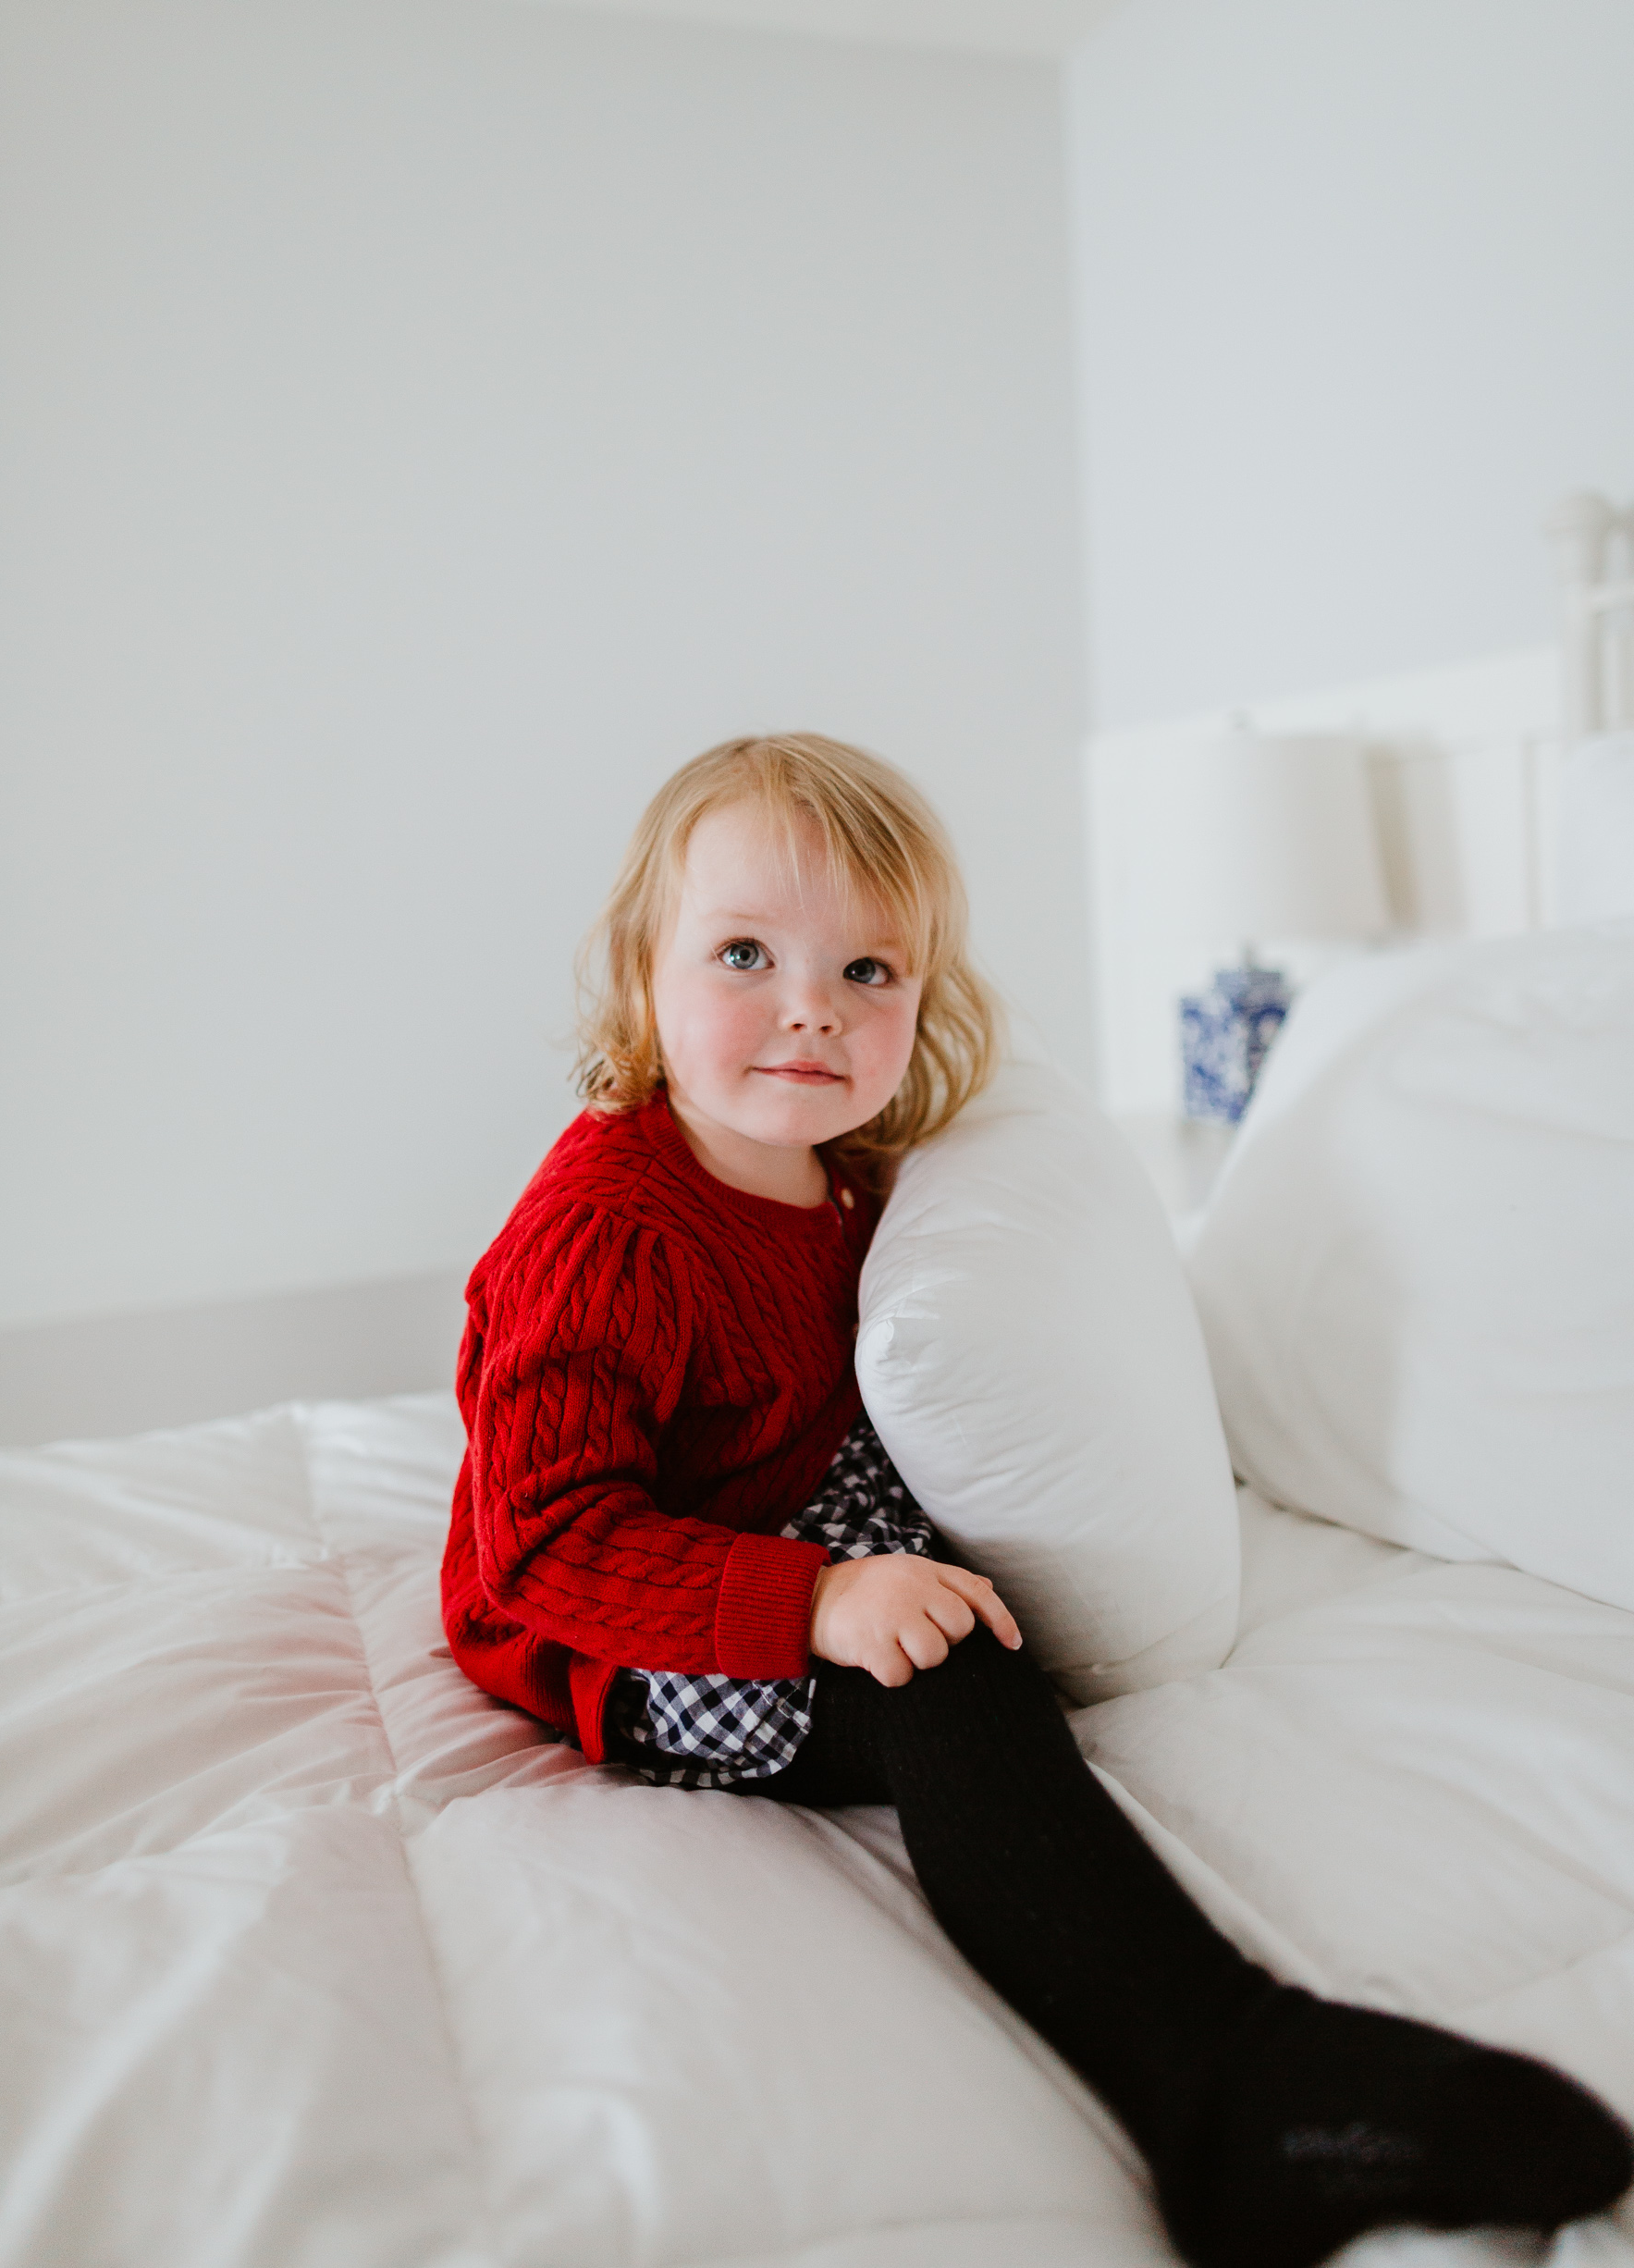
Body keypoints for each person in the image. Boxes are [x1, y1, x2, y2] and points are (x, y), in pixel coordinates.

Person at [442, 733, 1630, 2268]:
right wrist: (816, 1598)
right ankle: (1226, 2087)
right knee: (959, 1686)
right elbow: (543, 1541)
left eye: (870, 970)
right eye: (746, 952)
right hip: (613, 1615)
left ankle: (1247, 2072)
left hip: (769, 1511)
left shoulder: (839, 1168)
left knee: (969, 1614)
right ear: (639, 972)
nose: (812, 1003)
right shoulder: (609, 1230)